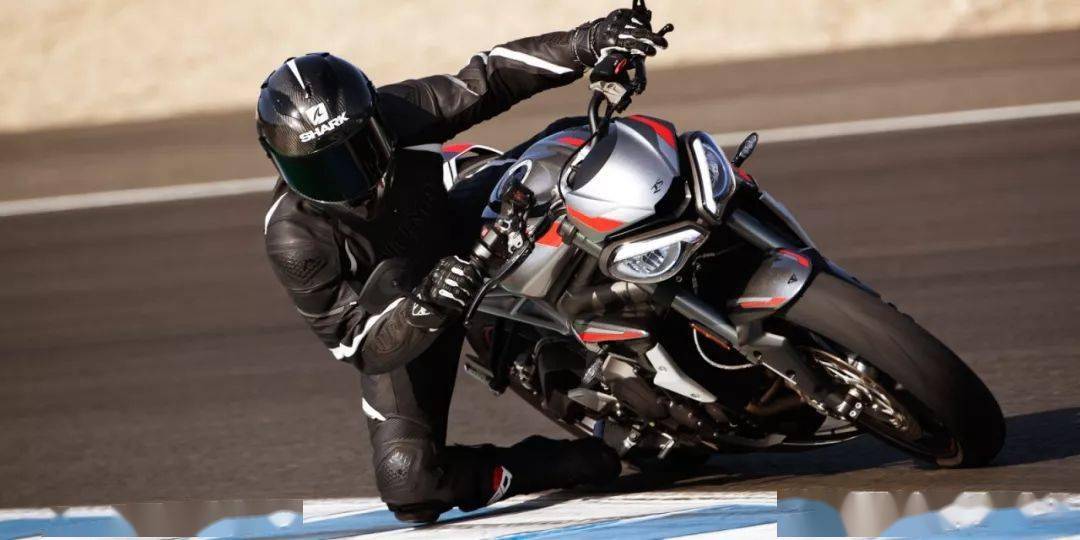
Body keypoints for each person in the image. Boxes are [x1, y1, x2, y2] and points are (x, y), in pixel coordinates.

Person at [257, 7, 669, 523]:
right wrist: (426, 306)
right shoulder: (294, 238)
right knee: (409, 483)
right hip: (410, 311)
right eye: (320, 170)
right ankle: (558, 463)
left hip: (467, 215)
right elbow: (355, 344)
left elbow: (490, 76)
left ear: (376, 120)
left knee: (581, 153)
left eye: (358, 152)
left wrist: (587, 41)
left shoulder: (400, 110)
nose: (348, 183)